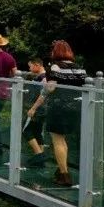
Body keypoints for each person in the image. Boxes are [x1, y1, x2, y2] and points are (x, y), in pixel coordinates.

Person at [42, 40, 86, 187]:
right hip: (76, 107)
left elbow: (51, 88)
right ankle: (62, 169)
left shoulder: (55, 66)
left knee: (58, 140)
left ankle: (64, 175)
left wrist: (44, 85)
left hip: (58, 107)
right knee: (64, 140)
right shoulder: (79, 68)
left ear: (56, 52)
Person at [23, 58, 48, 167]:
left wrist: (33, 108)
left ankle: (39, 155)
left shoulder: (43, 78)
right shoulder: (43, 76)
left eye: (31, 66)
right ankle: (40, 160)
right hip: (44, 108)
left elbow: (43, 95)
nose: (30, 69)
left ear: (37, 65)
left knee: (25, 129)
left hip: (39, 108)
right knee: (37, 131)